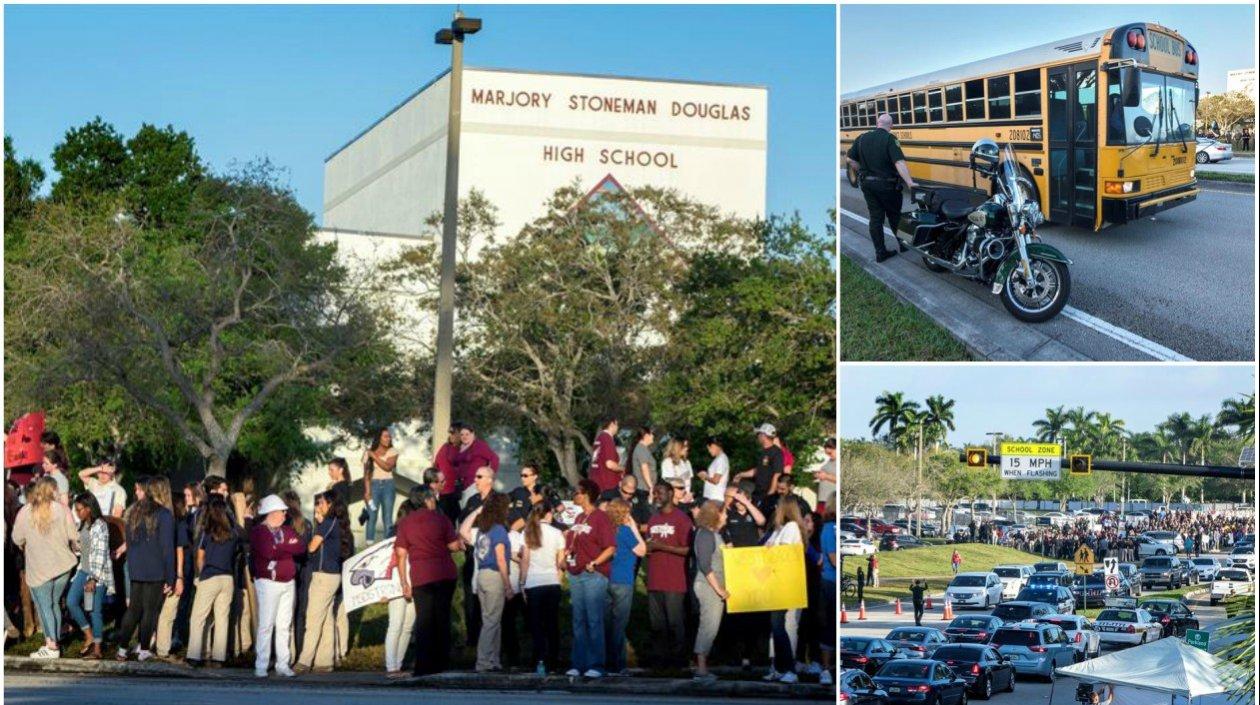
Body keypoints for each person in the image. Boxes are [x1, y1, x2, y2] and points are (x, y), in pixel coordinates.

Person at [394, 485, 464, 676]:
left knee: (424, 620)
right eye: (432, 497)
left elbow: (400, 554)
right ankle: (442, 662)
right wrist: (459, 544)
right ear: (427, 500)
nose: (435, 500)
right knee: (442, 618)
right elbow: (451, 544)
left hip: (420, 576)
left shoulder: (406, 523)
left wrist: (404, 582)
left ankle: (423, 665)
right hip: (443, 573)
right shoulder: (441, 519)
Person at [12, 477, 78, 659]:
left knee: (44, 606)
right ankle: (54, 640)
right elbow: (74, 535)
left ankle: (51, 645)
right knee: (54, 603)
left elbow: (17, 538)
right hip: (63, 565)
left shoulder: (25, 512)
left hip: (39, 568)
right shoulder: (62, 509)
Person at [114, 477, 176, 662]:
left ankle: (122, 649)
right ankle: (144, 649)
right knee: (150, 610)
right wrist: (171, 576)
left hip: (137, 568)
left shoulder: (134, 512)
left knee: (133, 609)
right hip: (156, 568)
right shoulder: (164, 514)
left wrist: (132, 568)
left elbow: (130, 544)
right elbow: (167, 548)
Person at [845, 112, 916, 262]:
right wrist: (909, 182)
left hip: (867, 185)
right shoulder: (890, 139)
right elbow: (899, 162)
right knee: (896, 215)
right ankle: (905, 245)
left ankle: (880, 252)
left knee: (876, 218)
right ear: (891, 126)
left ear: (877, 123)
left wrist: (861, 170)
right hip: (887, 185)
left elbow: (850, 159)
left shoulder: (862, 138)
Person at [249, 494, 307, 678]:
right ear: (272, 512)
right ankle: (261, 665)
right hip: (268, 583)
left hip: (288, 582)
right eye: (282, 511)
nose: (284, 514)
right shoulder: (259, 532)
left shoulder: (287, 530)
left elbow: (300, 547)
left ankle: (283, 664)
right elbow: (267, 552)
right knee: (266, 625)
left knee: (284, 625)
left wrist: (279, 548)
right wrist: (284, 548)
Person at [563, 479, 615, 678]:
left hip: (593, 575)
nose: (574, 495)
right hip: (576, 573)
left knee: (594, 620)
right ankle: (578, 662)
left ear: (586, 495)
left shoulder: (600, 517)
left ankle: (596, 664)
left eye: (576, 492)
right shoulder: (578, 518)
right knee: (578, 620)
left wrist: (595, 562)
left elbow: (610, 547)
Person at [295, 490, 352, 673]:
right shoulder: (338, 524)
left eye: (321, 503)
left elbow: (312, 547)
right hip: (334, 575)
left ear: (330, 504)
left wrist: (317, 527)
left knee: (313, 619)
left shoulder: (328, 523)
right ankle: (324, 661)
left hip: (323, 576)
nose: (318, 507)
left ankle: (304, 661)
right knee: (327, 618)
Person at [186, 496, 241, 668]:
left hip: (210, 576)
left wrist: (200, 575)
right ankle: (219, 657)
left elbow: (200, 556)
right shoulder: (233, 533)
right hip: (227, 578)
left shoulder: (207, 532)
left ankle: (194, 655)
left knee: (198, 618)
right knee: (222, 619)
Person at [460, 493, 512, 672]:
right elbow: (501, 559)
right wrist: (507, 585)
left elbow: (463, 530)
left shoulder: (483, 530)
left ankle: (493, 659)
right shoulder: (499, 530)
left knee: (492, 619)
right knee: (491, 621)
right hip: (494, 576)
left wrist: (476, 512)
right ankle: (483, 661)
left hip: (481, 575)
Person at [644, 480, 693, 669]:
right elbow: (649, 544)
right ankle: (659, 661)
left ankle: (678, 661)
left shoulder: (682, 519)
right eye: (655, 493)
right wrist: (648, 549)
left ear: (671, 494)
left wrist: (661, 547)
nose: (657, 496)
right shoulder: (653, 519)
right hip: (654, 579)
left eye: (661, 492)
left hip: (674, 580)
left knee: (675, 623)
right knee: (657, 625)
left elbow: (687, 549)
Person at [720, 483, 767, 670]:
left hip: (753, 569)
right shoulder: (728, 513)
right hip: (734, 568)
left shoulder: (751, 511)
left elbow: (761, 521)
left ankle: (753, 655)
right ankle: (735, 656)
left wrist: (746, 502)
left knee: (753, 614)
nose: (733, 500)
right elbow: (719, 524)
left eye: (734, 496)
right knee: (735, 614)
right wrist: (727, 503)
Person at [520, 502, 565, 675]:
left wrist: (522, 583)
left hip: (533, 582)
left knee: (536, 624)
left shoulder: (528, 531)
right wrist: (559, 580)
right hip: (551, 581)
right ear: (548, 514)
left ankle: (539, 658)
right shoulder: (557, 533)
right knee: (552, 623)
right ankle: (553, 660)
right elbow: (559, 561)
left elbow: (525, 560)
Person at [764, 496, 805, 684]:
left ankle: (790, 668)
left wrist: (771, 549)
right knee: (775, 626)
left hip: (784, 583)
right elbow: (765, 546)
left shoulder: (791, 528)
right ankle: (780, 667)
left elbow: (782, 552)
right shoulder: (780, 529)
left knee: (779, 627)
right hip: (775, 582)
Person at [68, 493, 114, 659]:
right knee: (71, 602)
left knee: (95, 610)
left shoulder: (100, 525)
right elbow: (86, 549)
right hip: (83, 569)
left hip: (97, 573)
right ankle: (88, 635)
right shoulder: (83, 525)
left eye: (79, 509)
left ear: (89, 509)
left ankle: (97, 648)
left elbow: (101, 554)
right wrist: (77, 547)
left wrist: (93, 579)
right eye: (76, 509)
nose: (77, 512)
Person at [605, 498, 646, 676]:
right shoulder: (625, 531)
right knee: (619, 624)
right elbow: (642, 550)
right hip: (623, 579)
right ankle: (618, 664)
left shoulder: (607, 530)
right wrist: (635, 529)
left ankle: (605, 661)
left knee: (606, 623)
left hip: (607, 578)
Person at [152, 478, 191, 661]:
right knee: (167, 612)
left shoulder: (148, 517)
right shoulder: (175, 520)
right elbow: (179, 549)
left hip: (154, 571)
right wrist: (179, 576)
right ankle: (162, 649)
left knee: (157, 611)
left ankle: (151, 646)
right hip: (168, 570)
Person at [459, 467, 497, 650]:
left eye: (480, 476)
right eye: (475, 476)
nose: (475, 480)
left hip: (490, 557)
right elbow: (463, 521)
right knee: (470, 598)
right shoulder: (473, 500)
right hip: (471, 555)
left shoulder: (498, 500)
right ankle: (472, 638)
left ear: (490, 479)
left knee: (491, 601)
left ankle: (492, 643)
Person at [692, 500, 730, 683]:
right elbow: (705, 565)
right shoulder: (706, 534)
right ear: (716, 514)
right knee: (708, 626)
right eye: (724, 513)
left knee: (711, 627)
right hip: (709, 587)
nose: (726, 516)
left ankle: (703, 666)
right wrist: (719, 590)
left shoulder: (715, 534)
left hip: (713, 587)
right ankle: (700, 669)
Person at [383, 500, 418, 677]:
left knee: (407, 626)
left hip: (414, 579)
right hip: (397, 579)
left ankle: (398, 664)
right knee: (396, 623)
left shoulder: (415, 532)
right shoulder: (394, 533)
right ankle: (391, 667)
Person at [362, 427, 400, 543]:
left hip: (388, 485)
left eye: (389, 436)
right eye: (385, 436)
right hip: (373, 486)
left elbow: (388, 467)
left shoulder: (393, 451)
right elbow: (367, 473)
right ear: (379, 438)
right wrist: (367, 492)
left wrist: (373, 456)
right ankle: (369, 546)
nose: (388, 438)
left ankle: (387, 546)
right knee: (371, 516)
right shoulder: (368, 452)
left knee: (387, 518)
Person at [735, 424, 784, 503]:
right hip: (758, 492)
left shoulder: (776, 453)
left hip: (767, 494)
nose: (758, 436)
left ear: (763, 435)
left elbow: (777, 475)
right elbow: (758, 470)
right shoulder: (763, 452)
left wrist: (770, 495)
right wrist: (741, 474)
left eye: (759, 434)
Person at [452, 423, 500, 495]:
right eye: (462, 434)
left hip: (474, 485)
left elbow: (495, 459)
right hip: (461, 486)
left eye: (467, 434)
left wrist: (488, 477)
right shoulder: (461, 447)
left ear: (472, 434)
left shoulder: (479, 445)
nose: (464, 437)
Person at [818, 510, 836, 686]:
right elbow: (832, 558)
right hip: (830, 582)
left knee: (830, 626)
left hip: (829, 581)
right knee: (829, 625)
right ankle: (825, 667)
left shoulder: (829, 528)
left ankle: (828, 667)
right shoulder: (830, 528)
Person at [434, 425, 462, 523]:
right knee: (446, 520)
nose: (451, 435)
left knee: (456, 519)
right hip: (445, 491)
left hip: (457, 491)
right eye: (450, 433)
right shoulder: (445, 447)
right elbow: (435, 466)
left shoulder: (463, 450)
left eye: (454, 433)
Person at [588, 418, 624, 493]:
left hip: (596, 481)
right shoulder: (607, 439)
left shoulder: (599, 438)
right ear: (611, 424)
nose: (618, 427)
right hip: (607, 484)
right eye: (617, 425)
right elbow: (609, 464)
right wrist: (623, 469)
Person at [698, 438, 730, 502]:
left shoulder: (721, 459)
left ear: (713, 445)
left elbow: (716, 480)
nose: (709, 451)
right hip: (711, 497)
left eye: (709, 448)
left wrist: (705, 476)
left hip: (715, 497)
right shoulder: (718, 459)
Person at [813, 439, 837, 514]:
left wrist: (826, 476)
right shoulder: (828, 462)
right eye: (827, 453)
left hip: (831, 500)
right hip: (822, 498)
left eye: (830, 453)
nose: (829, 455)